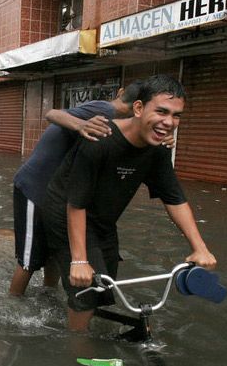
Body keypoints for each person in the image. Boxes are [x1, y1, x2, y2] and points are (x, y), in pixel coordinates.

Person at [42, 74, 217, 332]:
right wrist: (79, 259)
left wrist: (200, 248)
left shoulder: (157, 149)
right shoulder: (100, 139)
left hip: (103, 218)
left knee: (107, 283)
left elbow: (174, 198)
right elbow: (76, 203)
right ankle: (77, 349)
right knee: (87, 290)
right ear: (138, 108)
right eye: (161, 111)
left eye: (176, 115)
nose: (168, 122)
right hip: (65, 210)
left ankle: (68, 300)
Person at [8, 83, 147, 297]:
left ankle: (48, 295)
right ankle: (12, 306)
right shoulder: (105, 110)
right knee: (29, 259)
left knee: (54, 252)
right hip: (34, 188)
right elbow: (52, 113)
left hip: (57, 195)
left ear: (120, 93)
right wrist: (81, 125)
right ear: (139, 108)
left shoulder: (118, 122)